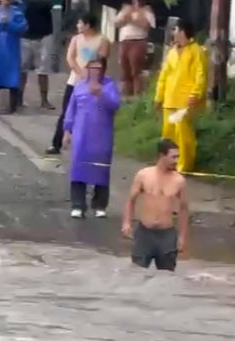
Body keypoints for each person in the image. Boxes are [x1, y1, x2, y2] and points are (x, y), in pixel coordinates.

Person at [62, 58, 121, 219]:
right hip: (82, 134)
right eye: (91, 67)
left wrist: (100, 93)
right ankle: (78, 205)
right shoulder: (79, 86)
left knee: (101, 169)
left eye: (98, 68)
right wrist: (67, 131)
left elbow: (115, 105)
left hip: (102, 134)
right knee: (78, 169)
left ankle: (100, 204)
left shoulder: (109, 86)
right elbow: (71, 109)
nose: (94, 71)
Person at [122, 139, 190, 271]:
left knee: (166, 277)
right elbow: (131, 200)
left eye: (178, 157)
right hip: (144, 233)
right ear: (161, 156)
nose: (176, 161)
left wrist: (182, 237)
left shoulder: (179, 181)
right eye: (173, 157)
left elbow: (184, 209)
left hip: (167, 236)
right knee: (136, 273)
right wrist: (126, 223)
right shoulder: (143, 175)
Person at [47, 12, 110, 155]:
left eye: (80, 23)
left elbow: (102, 60)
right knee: (66, 112)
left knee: (89, 115)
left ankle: (86, 146)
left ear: (88, 25)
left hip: (93, 82)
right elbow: (70, 58)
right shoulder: (76, 39)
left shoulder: (102, 40)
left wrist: (90, 75)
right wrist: (80, 73)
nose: (78, 26)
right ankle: (56, 143)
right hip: (74, 81)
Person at [154, 18, 207, 173]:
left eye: (176, 29)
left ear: (183, 31)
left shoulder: (196, 51)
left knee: (183, 134)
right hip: (170, 99)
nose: (173, 33)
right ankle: (168, 164)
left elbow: (201, 74)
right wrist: (158, 97)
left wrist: (196, 93)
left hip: (185, 100)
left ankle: (184, 165)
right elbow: (164, 75)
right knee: (168, 134)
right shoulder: (171, 52)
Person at [0, 0, 27, 114]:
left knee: (12, 76)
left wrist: (9, 25)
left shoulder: (17, 13)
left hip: (11, 49)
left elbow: (23, 28)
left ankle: (13, 106)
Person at [18, 0, 56, 110]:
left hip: (44, 35)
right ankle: (19, 99)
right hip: (24, 36)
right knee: (22, 69)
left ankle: (44, 100)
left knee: (43, 70)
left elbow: (51, 5)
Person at [114, 0, 155, 96]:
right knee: (125, 72)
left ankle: (137, 96)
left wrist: (129, 19)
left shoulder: (146, 10)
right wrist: (127, 17)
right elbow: (117, 23)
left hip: (138, 41)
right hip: (124, 41)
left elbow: (145, 25)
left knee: (136, 72)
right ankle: (126, 95)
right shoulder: (126, 8)